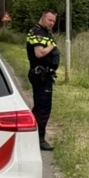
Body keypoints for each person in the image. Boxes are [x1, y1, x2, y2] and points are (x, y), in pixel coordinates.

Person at [26, 10, 60, 151]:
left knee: (40, 108)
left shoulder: (44, 32)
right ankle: (38, 139)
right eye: (49, 20)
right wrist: (52, 45)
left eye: (53, 21)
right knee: (43, 109)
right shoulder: (37, 32)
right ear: (42, 18)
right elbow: (39, 53)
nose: (51, 23)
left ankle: (31, 135)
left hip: (45, 75)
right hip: (41, 75)